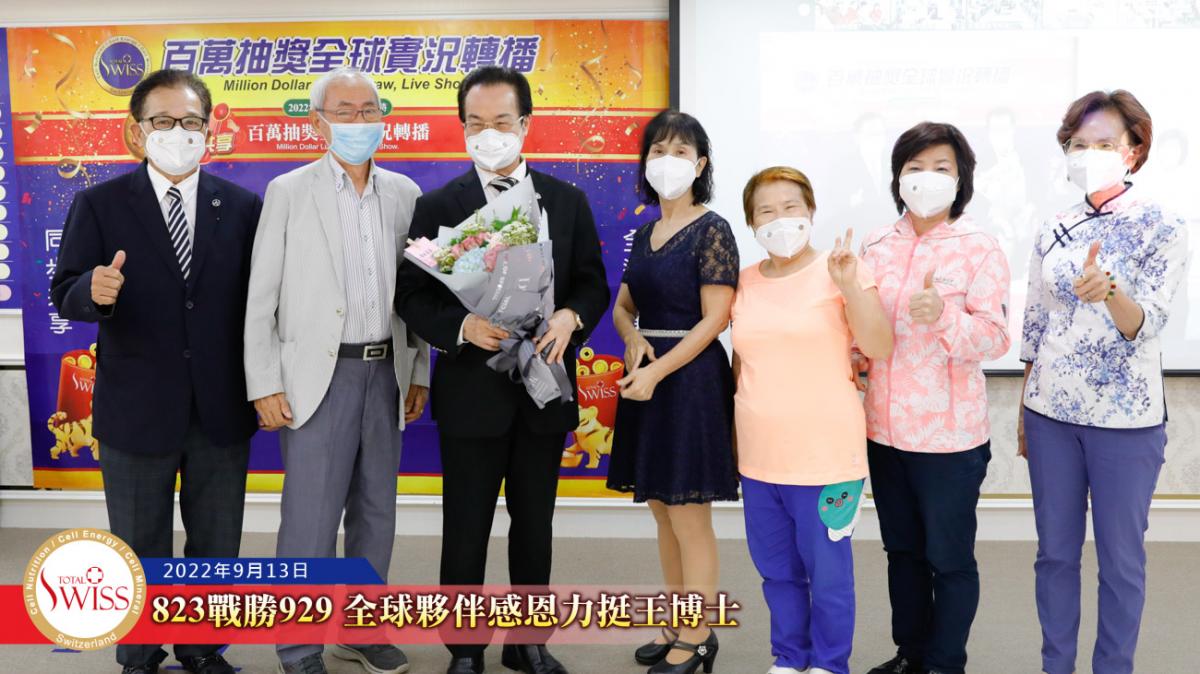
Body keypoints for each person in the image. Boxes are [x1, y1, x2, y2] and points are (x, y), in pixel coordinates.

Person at [392, 65, 610, 674]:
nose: (489, 134)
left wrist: (570, 315)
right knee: (465, 526)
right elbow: (410, 295)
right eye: (476, 123)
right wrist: (462, 326)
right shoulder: (439, 206)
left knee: (534, 524)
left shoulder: (566, 201)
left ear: (526, 125)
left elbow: (592, 283)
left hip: (544, 387)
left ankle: (527, 642)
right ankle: (464, 648)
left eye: (501, 122)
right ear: (463, 128)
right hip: (472, 391)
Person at [49, 69, 261, 674]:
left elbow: (261, 300)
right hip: (136, 406)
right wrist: (92, 290)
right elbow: (64, 290)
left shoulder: (242, 206)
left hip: (220, 405)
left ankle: (202, 648)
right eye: (163, 121)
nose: (178, 132)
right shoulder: (100, 203)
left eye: (191, 121)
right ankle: (139, 654)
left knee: (215, 545)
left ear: (209, 129)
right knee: (139, 543)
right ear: (137, 130)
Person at [243, 66, 430, 674]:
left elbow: (419, 292)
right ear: (318, 121)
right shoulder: (289, 191)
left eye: (368, 110)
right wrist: (264, 382)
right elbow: (261, 297)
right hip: (316, 378)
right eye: (344, 111)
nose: (358, 122)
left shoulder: (405, 194)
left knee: (377, 512)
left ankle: (362, 630)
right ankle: (299, 646)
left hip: (386, 372)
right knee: (311, 518)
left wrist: (420, 369)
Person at [1019, 90, 1188, 674]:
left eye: (1104, 143)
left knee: (1120, 561)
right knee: (1054, 556)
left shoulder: (1162, 223)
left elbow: (1148, 323)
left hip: (1126, 422)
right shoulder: (1054, 226)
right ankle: (1056, 666)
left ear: (1133, 150)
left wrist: (1110, 291)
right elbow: (1035, 324)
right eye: (1078, 144)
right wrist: (1024, 411)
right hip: (1050, 416)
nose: (1088, 154)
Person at [857, 122, 1011, 674]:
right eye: (914, 167)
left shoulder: (979, 248)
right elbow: (860, 328)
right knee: (902, 554)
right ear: (898, 177)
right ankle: (911, 654)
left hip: (950, 439)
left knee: (949, 560)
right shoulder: (875, 245)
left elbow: (995, 338)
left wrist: (944, 316)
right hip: (883, 432)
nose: (927, 178)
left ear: (961, 178)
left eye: (941, 167)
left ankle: (945, 664)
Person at [732, 166, 892, 674]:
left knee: (827, 574)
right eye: (766, 211)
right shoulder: (744, 281)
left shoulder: (842, 268)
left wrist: (849, 287)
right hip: (759, 456)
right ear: (751, 222)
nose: (779, 219)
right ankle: (789, 656)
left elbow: (879, 345)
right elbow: (742, 363)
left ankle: (828, 662)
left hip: (826, 457)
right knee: (776, 570)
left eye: (790, 207)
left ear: (811, 211)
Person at [606, 110, 740, 674]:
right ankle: (676, 621)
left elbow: (716, 319)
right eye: (658, 151)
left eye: (681, 152)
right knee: (662, 510)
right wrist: (632, 337)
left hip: (689, 382)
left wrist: (658, 370)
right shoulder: (645, 232)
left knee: (689, 515)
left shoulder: (713, 229)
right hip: (649, 378)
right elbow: (623, 306)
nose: (668, 161)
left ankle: (699, 634)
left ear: (700, 164)